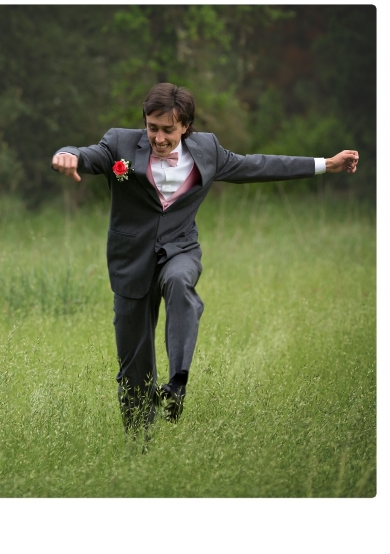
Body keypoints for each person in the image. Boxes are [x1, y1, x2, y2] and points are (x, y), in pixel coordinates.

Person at [51, 82, 359, 438]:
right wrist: (67, 153)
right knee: (133, 370)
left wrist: (326, 165)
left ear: (185, 126)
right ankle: (139, 445)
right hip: (131, 262)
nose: (159, 138)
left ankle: (177, 383)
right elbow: (90, 155)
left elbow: (258, 165)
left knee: (180, 283)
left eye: (168, 130)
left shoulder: (207, 150)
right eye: (152, 128)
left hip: (179, 250)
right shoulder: (120, 144)